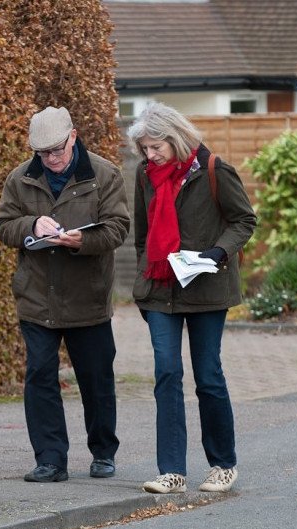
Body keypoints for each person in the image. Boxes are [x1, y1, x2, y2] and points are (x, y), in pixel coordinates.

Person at [0, 106, 130, 483]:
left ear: (73, 136)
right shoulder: (19, 179)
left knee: (96, 379)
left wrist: (82, 240)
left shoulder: (104, 174)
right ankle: (51, 460)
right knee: (40, 376)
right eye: (42, 152)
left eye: (57, 149)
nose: (51, 158)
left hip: (88, 298)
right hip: (37, 297)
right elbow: (3, 226)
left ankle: (103, 452)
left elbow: (118, 229)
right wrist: (31, 224)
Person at [126, 103, 256, 494]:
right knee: (166, 375)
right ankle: (172, 471)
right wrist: (142, 284)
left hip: (207, 290)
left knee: (208, 377)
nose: (150, 156)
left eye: (155, 147)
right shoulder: (145, 174)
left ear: (175, 136)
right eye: (145, 149)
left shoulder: (214, 169)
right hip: (161, 290)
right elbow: (144, 234)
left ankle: (222, 464)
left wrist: (218, 253)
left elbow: (244, 220)